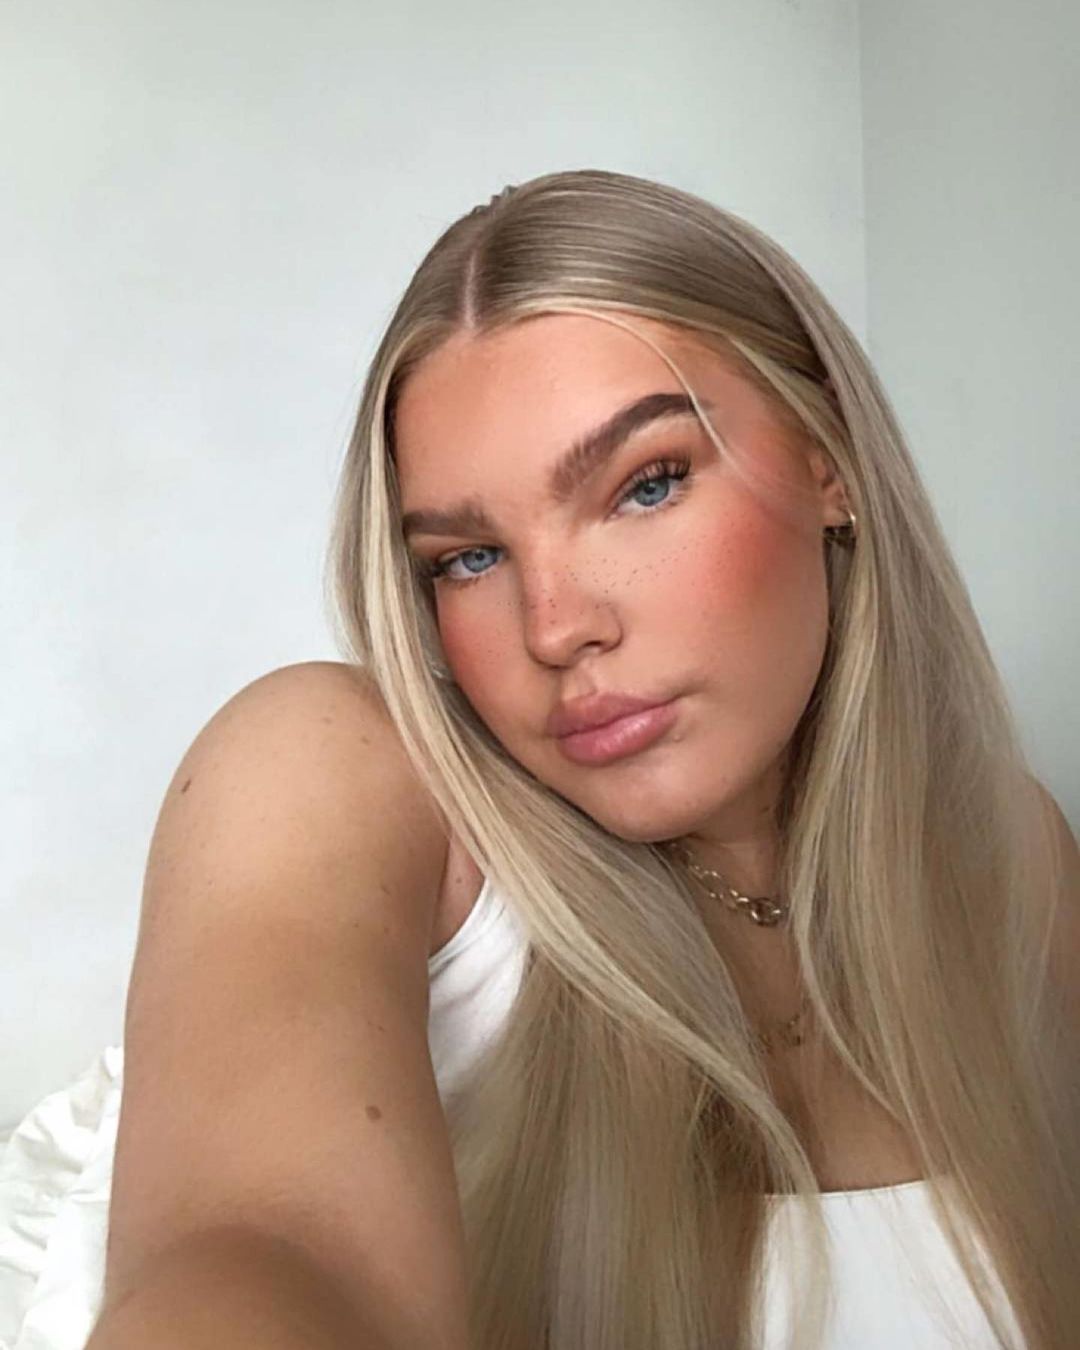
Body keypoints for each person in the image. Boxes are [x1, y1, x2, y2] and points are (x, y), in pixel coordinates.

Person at [90, 170, 1080, 1350]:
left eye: (645, 485)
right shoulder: (344, 780)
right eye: (467, 559)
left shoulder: (1015, 854)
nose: (556, 628)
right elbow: (260, 1247)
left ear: (830, 461)